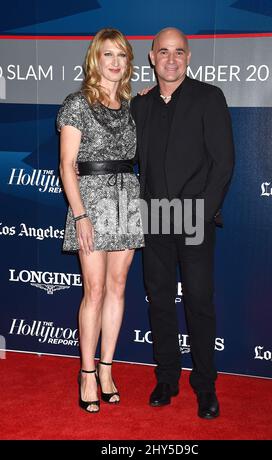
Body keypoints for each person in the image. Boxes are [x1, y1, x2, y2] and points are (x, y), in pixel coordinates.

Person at [131, 28, 234, 419]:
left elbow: (223, 163)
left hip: (194, 218)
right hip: (153, 218)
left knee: (199, 303)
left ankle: (205, 386)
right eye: (163, 52)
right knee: (159, 302)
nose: (171, 59)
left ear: (188, 57)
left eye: (179, 52)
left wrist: (202, 213)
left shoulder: (209, 97)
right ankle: (167, 377)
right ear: (152, 57)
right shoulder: (139, 106)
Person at [57, 28, 144, 413]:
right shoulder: (77, 104)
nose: (114, 62)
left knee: (118, 285)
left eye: (121, 55)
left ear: (127, 63)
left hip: (127, 198)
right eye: (107, 54)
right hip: (91, 200)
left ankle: (108, 368)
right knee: (93, 290)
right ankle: (87, 373)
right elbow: (66, 165)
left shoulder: (130, 106)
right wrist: (80, 215)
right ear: (95, 59)